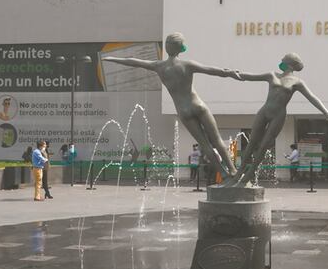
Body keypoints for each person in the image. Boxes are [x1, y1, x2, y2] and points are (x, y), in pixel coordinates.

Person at [103, 32, 242, 183]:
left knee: (204, 144)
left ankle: (224, 174)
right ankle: (233, 170)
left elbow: (134, 61)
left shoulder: (159, 66)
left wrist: (113, 58)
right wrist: (230, 73)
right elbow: (212, 71)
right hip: (197, 105)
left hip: (183, 111)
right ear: (181, 48)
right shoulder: (187, 65)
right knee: (217, 140)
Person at [226, 53, 328, 186]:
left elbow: (312, 98)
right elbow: (249, 76)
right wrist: (234, 73)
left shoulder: (297, 82)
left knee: (263, 147)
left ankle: (248, 176)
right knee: (251, 143)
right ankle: (238, 174)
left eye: (283, 60)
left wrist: (327, 114)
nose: (280, 62)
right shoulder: (271, 75)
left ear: (289, 64)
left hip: (278, 116)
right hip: (264, 112)